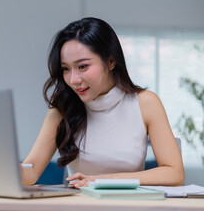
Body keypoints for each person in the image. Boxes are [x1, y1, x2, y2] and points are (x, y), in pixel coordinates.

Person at [21, 17, 184, 188]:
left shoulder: (146, 103)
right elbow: (31, 171)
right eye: (66, 69)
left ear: (111, 61)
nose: (73, 79)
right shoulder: (61, 110)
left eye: (82, 66)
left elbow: (174, 173)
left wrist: (104, 180)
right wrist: (3, 169)